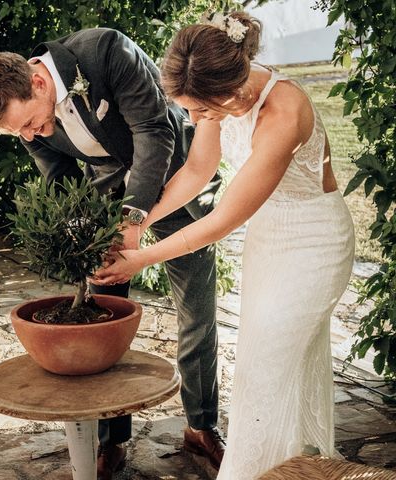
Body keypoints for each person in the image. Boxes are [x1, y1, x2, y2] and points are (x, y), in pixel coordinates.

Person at [94, 12, 355, 479]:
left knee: (264, 370)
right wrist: (137, 222)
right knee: (268, 359)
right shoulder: (218, 94)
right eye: (189, 110)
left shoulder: (284, 110)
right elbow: (196, 171)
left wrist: (143, 258)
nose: (193, 120)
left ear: (233, 91)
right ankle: (293, 468)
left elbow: (224, 218)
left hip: (315, 242)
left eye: (201, 111)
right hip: (268, 241)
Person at [0, 29, 225, 479]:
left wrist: (134, 221)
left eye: (28, 123)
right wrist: (82, 233)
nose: (29, 135)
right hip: (106, 202)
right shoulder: (26, 115)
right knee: (100, 320)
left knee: (196, 312)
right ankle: (111, 441)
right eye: (18, 132)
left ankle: (201, 426)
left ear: (40, 82)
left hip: (176, 183)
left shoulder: (106, 52)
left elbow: (153, 130)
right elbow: (59, 176)